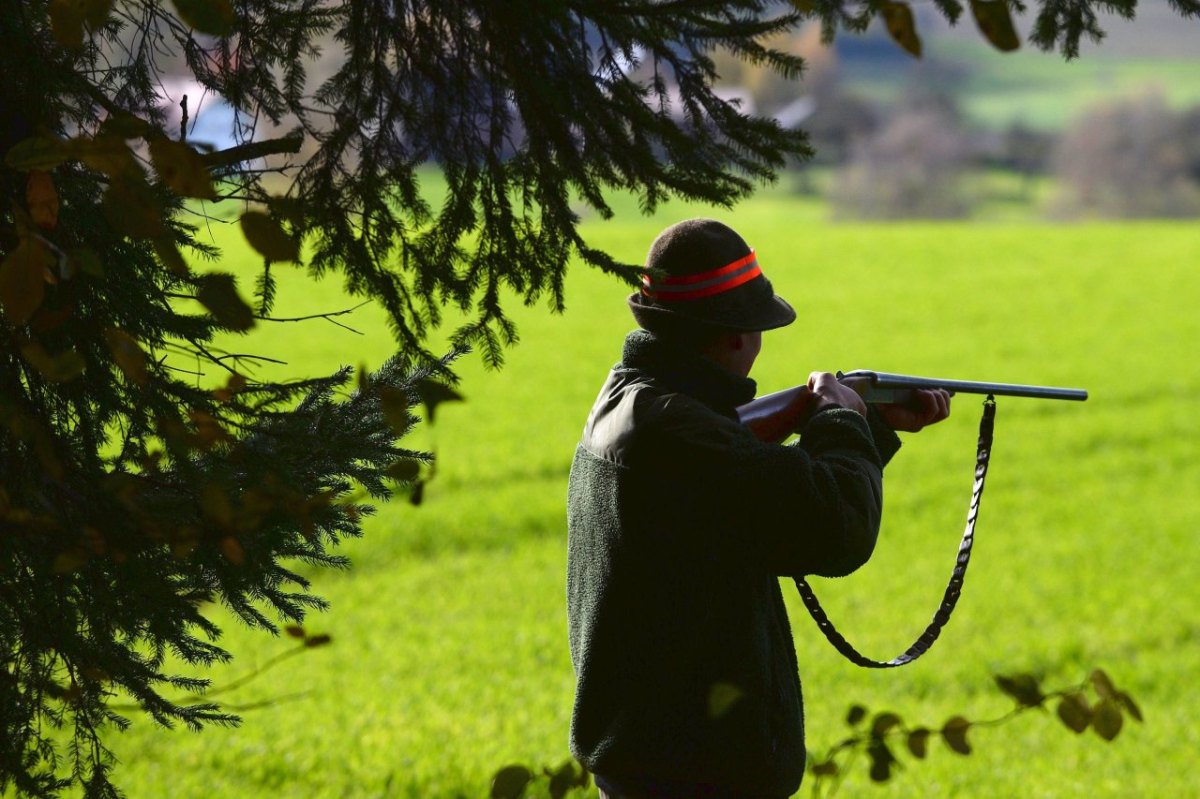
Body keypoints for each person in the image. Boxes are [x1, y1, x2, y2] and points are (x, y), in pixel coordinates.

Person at [565, 218, 950, 799]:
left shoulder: (634, 398)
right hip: (696, 771)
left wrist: (866, 425)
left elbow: (759, 497)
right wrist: (838, 418)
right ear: (736, 335)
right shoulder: (683, 432)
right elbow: (836, 528)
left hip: (653, 760)